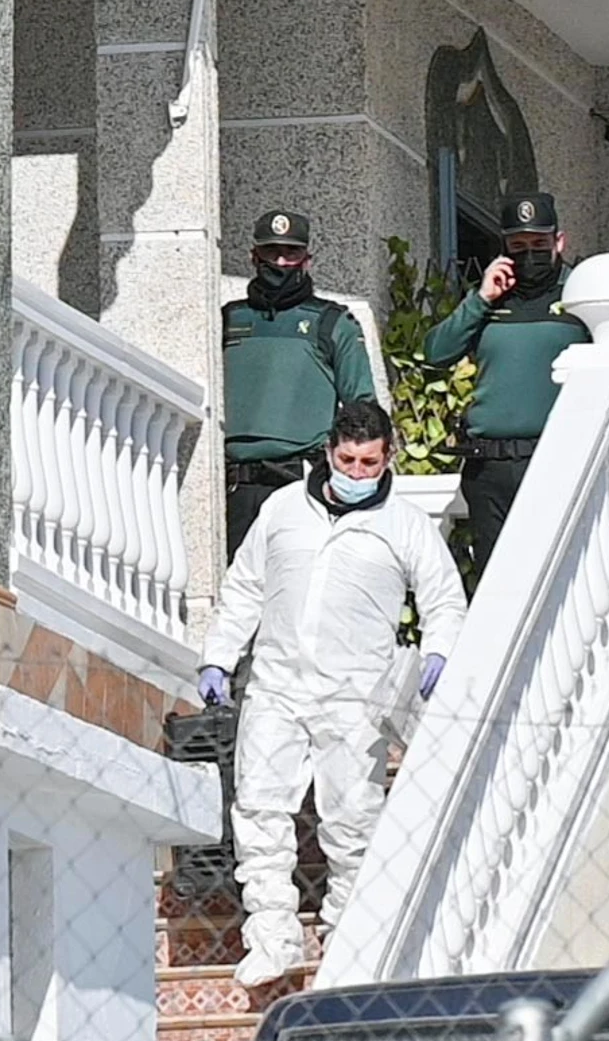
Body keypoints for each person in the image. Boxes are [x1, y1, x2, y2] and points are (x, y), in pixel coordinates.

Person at [198, 400, 468, 987]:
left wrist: (440, 649)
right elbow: (245, 587)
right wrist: (219, 656)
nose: (355, 471)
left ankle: (348, 940)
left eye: (368, 462)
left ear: (387, 457)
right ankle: (271, 936)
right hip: (276, 684)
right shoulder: (282, 510)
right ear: (327, 452)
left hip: (355, 695)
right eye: (346, 458)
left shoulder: (407, 527)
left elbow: (443, 598)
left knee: (351, 821)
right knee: (260, 808)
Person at [423, 191, 588, 577]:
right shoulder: (490, 301)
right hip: (488, 469)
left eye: (538, 245)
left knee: (557, 577)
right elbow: (436, 354)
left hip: (553, 461)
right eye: (518, 246)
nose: (528, 254)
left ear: (559, 242)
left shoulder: (580, 297)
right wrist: (481, 299)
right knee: (496, 581)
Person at [222, 208, 379, 556]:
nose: (280, 261)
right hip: (234, 489)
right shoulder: (227, 319)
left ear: (307, 259)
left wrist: (353, 482)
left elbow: (363, 412)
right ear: (253, 256)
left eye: (291, 252)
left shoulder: (333, 322)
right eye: (271, 251)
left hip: (301, 483)